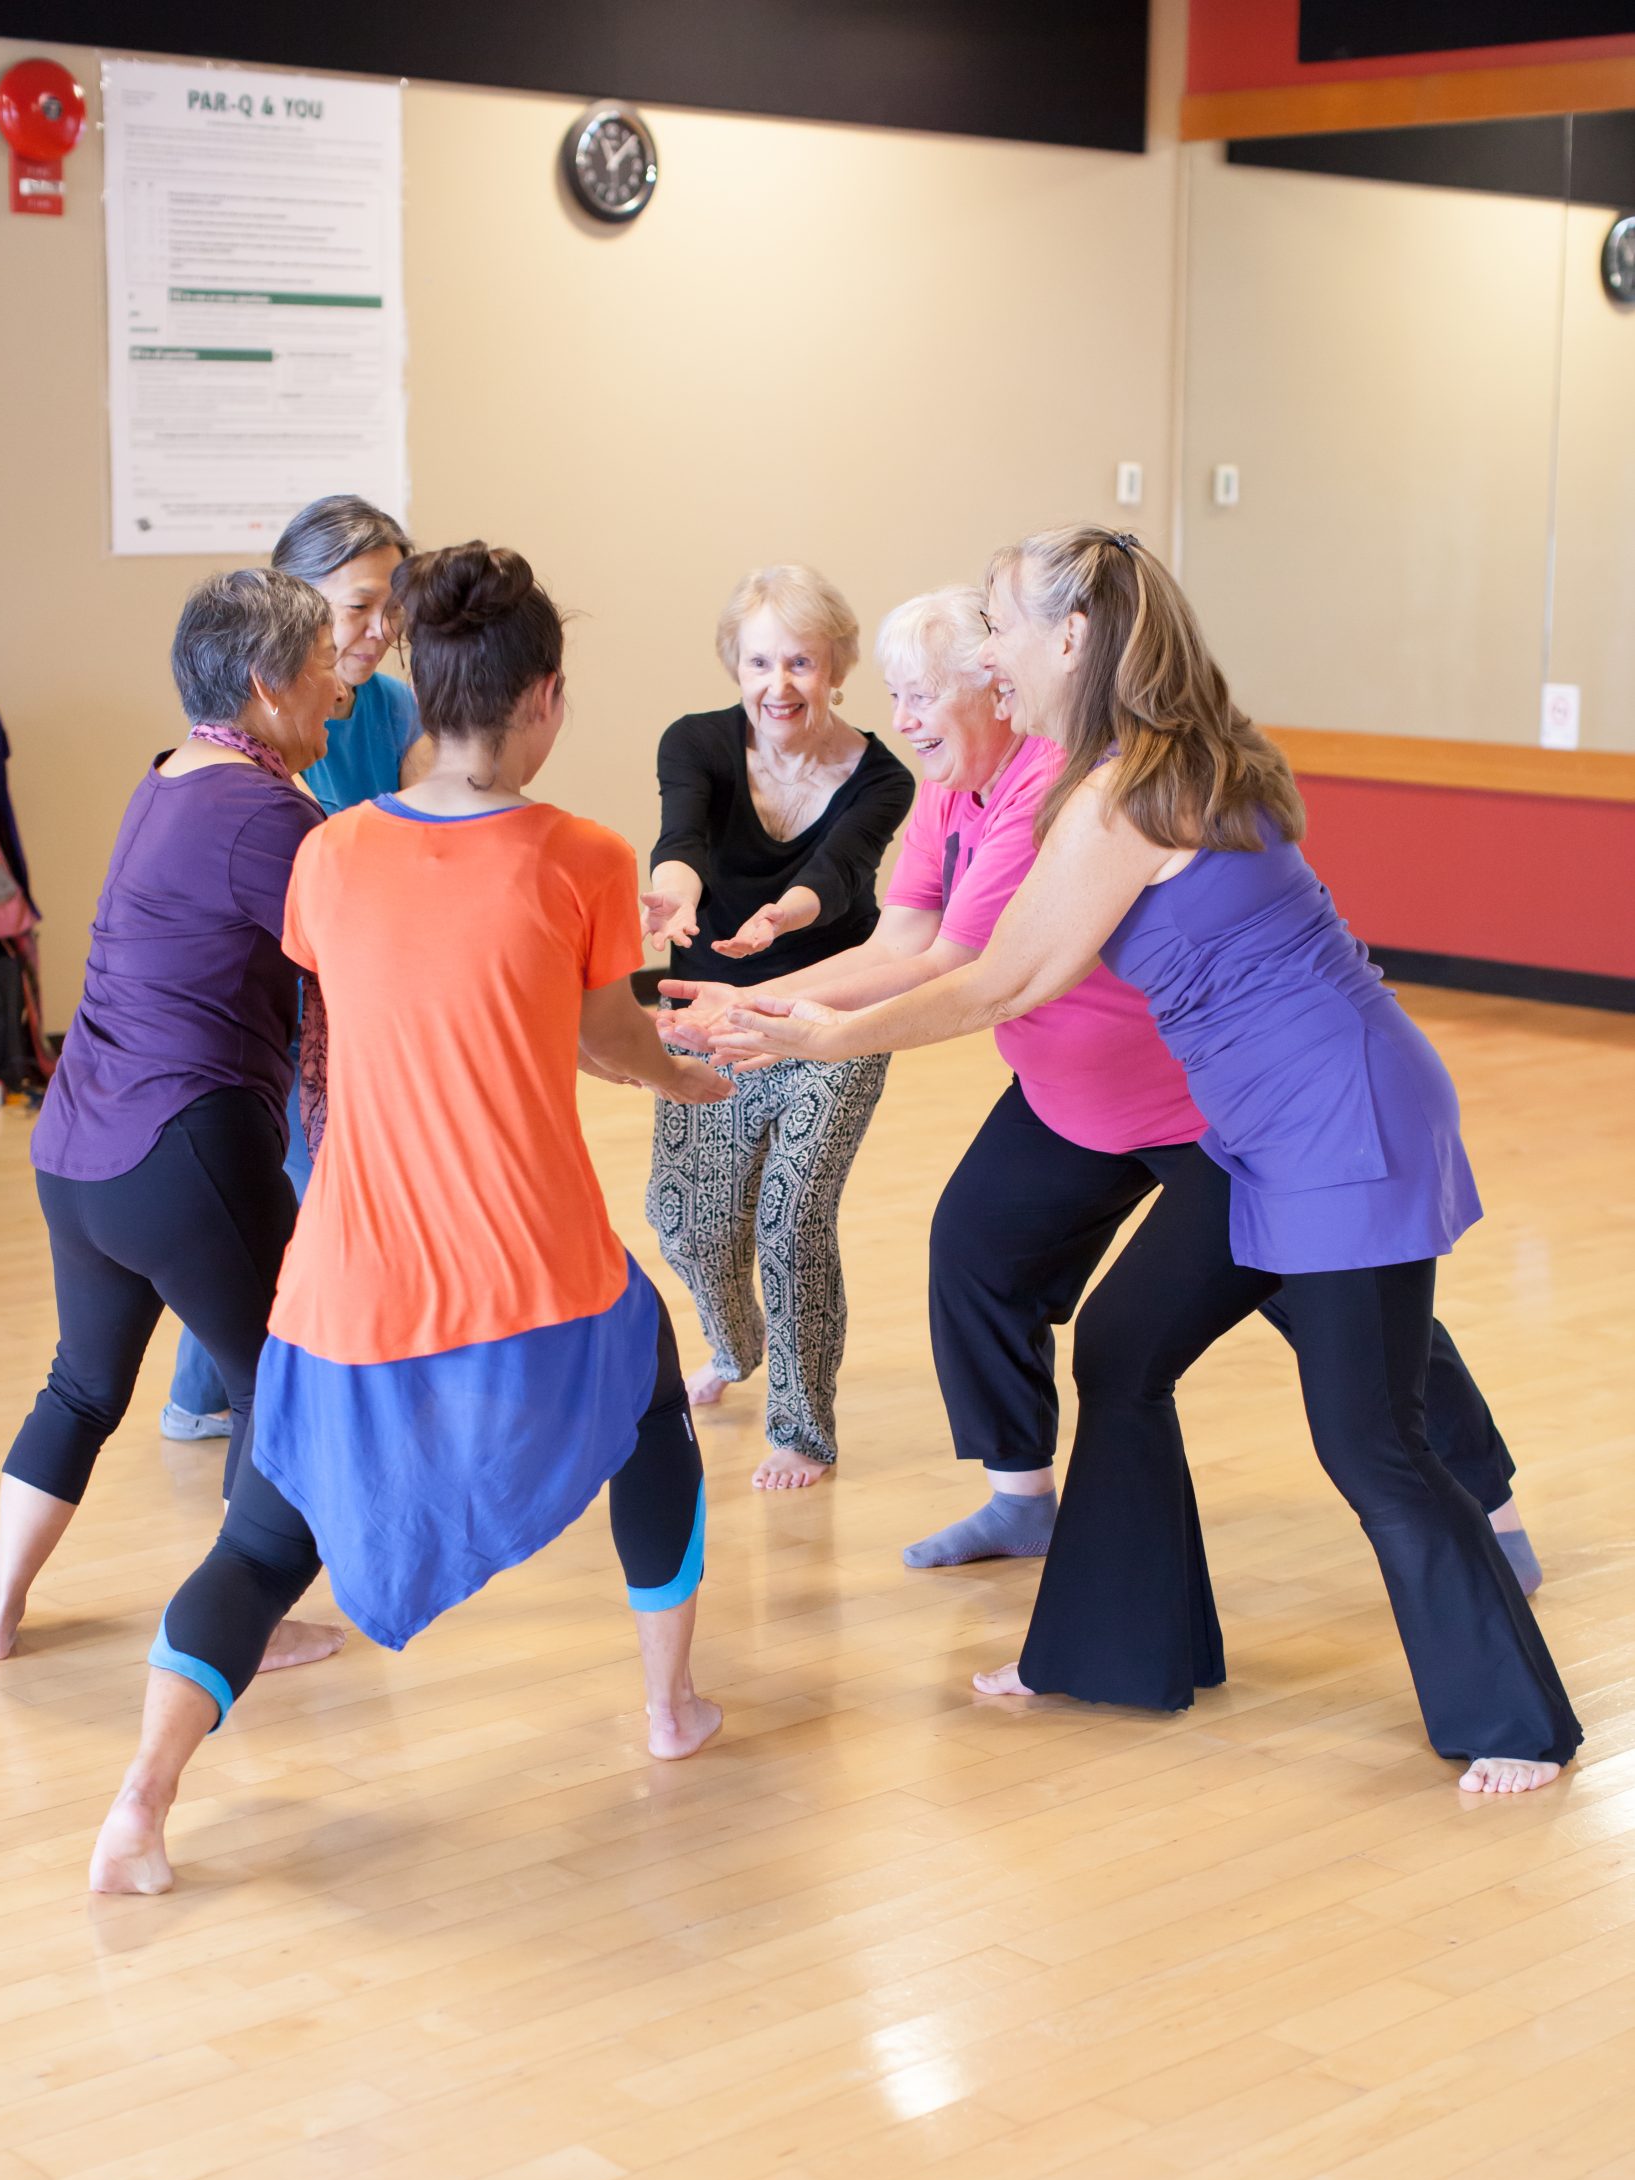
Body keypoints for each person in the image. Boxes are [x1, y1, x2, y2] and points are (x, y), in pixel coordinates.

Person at [712, 530, 1581, 1797]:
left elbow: (1010, 973)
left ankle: (1517, 1721)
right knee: (1122, 1350)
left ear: (1072, 639)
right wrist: (807, 1016)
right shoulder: (1126, 768)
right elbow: (976, 949)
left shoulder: (1131, 789)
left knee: (1369, 1440)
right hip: (1256, 1131)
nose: (988, 647)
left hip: (1339, 1126)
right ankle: (1114, 1650)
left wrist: (823, 1032)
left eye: (1002, 622)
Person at [89, 543, 731, 1895]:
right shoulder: (585, 858)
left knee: (264, 1541)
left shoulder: (329, 852)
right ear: (542, 698)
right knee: (653, 1417)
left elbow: (412, 1006)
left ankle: (140, 1808)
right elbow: (605, 1040)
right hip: (535, 1271)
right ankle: (667, 1711)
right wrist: (696, 1072)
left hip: (347, 1282)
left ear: (427, 687)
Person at [0, 571, 345, 1671]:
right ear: (268, 684)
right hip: (181, 1148)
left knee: (83, 1382)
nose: (340, 698)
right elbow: (358, 957)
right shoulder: (267, 811)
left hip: (78, 1149)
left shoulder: (172, 774)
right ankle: (242, 1621)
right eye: (324, 671)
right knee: (284, 1375)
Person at [161, 494, 430, 1443]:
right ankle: (320, 1401)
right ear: (293, 605)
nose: (379, 628)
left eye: (392, 604)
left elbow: (436, 830)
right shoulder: (254, 726)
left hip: (354, 984)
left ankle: (205, 1396)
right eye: (357, 605)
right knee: (315, 1196)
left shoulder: (394, 706)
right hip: (281, 999)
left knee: (283, 1198)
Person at [642, 563, 914, 1490]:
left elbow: (838, 873)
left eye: (801, 661)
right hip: (710, 1017)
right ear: (735, 664)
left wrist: (779, 919)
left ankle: (802, 1428)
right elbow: (680, 841)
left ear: (836, 666)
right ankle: (735, 1342)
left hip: (829, 1011)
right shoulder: (697, 744)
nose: (779, 684)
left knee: (793, 1218)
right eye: (760, 661)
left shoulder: (882, 776)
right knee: (685, 1225)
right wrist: (669, 900)